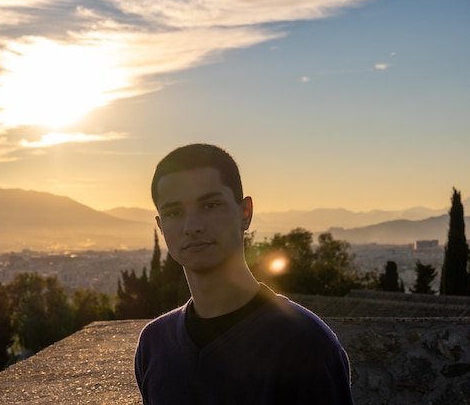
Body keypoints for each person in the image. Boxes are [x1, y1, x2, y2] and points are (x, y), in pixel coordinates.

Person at [134, 143, 355, 404]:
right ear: (161, 226)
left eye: (210, 205)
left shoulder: (306, 345)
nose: (191, 226)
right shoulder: (154, 344)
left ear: (245, 213)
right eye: (174, 212)